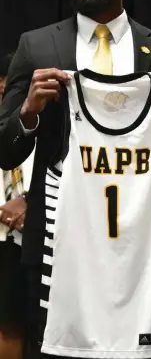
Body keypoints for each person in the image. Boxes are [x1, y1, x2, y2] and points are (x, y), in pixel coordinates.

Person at [0, 0, 151, 359]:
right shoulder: (37, 46)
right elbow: (3, 148)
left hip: (135, 252)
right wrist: (28, 111)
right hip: (57, 244)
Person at [0, 52, 27, 359]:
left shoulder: (41, 119)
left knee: (16, 323)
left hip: (33, 234)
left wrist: (31, 201)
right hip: (2, 231)